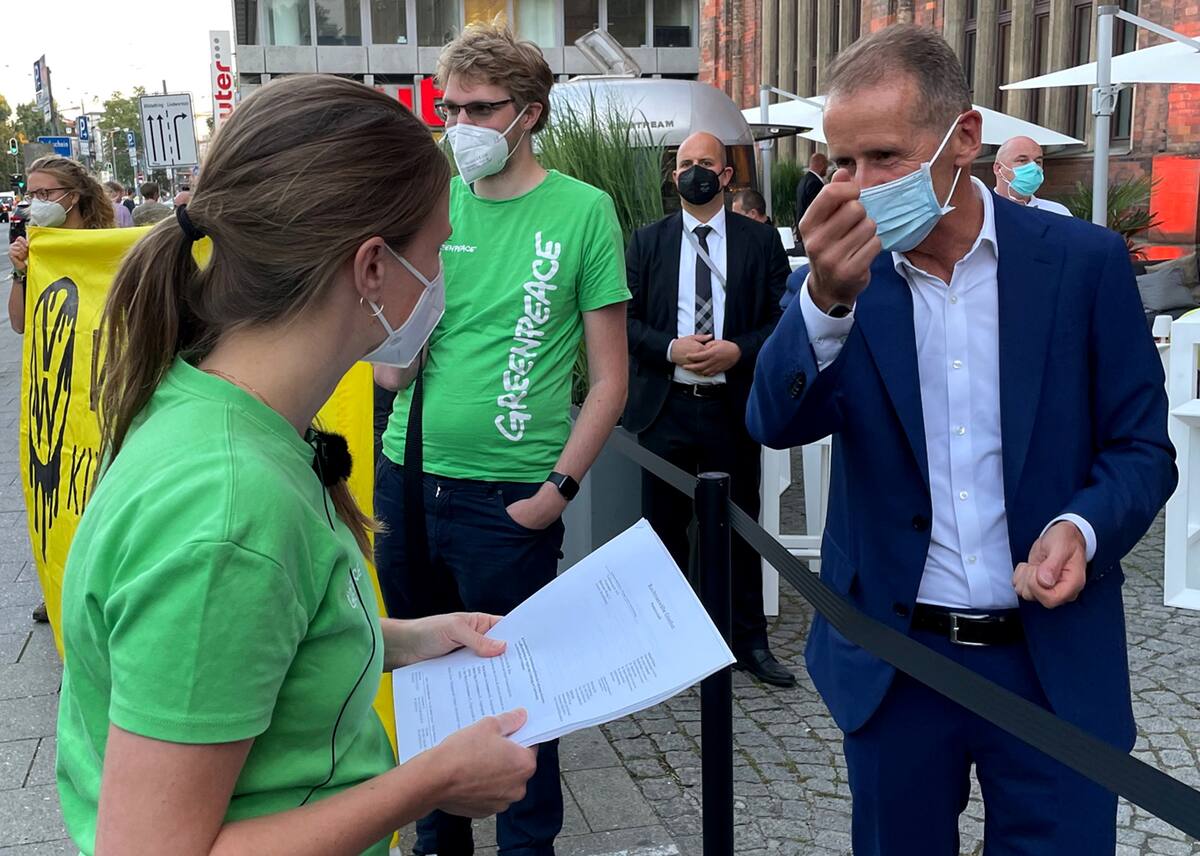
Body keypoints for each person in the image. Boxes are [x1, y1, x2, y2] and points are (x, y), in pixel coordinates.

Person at [54, 75, 539, 856]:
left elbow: (251, 645)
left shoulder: (209, 407)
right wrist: (428, 783)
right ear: (372, 267)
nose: (445, 278)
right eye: (439, 249)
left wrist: (406, 639)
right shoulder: (229, 509)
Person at [747, 25, 1176, 855]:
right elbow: (774, 421)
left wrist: (1080, 527)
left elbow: (1142, 447)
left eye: (884, 158)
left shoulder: (1081, 265)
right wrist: (825, 303)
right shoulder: (836, 279)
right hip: (896, 659)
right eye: (841, 164)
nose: (859, 187)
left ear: (963, 139)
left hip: (1050, 663)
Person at [372, 21, 629, 856]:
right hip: (408, 480)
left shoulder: (584, 211)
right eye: (450, 108)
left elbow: (609, 377)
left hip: (508, 498)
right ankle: (434, 842)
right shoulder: (429, 202)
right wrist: (408, 322)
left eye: (482, 108)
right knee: (425, 696)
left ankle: (529, 848)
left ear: (530, 113)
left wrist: (556, 492)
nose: (462, 126)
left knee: (521, 704)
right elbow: (388, 375)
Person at [625, 132, 792, 687]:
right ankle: (664, 648)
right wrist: (670, 348)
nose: (694, 172)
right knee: (663, 532)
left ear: (725, 176)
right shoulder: (645, 242)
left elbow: (782, 319)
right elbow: (620, 324)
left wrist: (738, 348)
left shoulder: (760, 242)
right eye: (684, 164)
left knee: (741, 528)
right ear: (673, 176)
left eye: (705, 164)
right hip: (664, 407)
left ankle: (748, 641)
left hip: (732, 406)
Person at [6, 156, 115, 624]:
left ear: (74, 196)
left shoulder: (107, 246)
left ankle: (101, 585)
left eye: (46, 194)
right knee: (56, 486)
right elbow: (19, 323)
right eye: (31, 194)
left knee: (101, 486)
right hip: (57, 389)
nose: (36, 203)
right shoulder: (38, 249)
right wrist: (21, 272)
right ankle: (60, 582)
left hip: (105, 386)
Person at [992, 135, 1072, 216]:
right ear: (998, 168)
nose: (1033, 167)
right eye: (1022, 160)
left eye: (1038, 162)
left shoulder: (1058, 212)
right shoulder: (984, 210)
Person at [793, 151, 828, 252]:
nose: (826, 169)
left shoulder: (803, 180)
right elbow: (817, 210)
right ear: (821, 165)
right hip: (812, 231)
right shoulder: (815, 183)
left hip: (803, 228)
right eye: (826, 165)